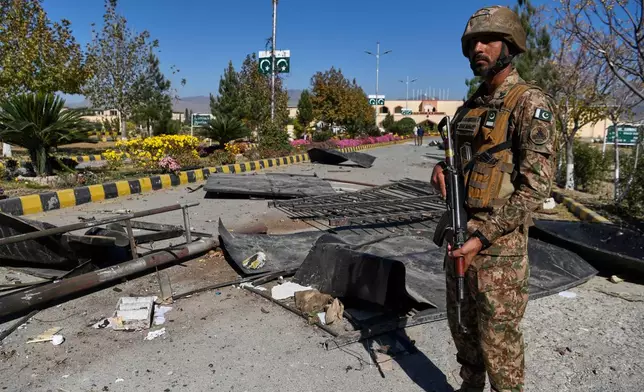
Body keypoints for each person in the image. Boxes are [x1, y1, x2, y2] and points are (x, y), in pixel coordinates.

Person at [430, 6, 557, 392]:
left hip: (498, 249)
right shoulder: (471, 106)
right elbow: (461, 159)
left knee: (499, 346)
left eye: (487, 41)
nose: (478, 49)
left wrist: (482, 238)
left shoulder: (528, 104)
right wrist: (439, 167)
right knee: (463, 332)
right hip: (458, 235)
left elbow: (536, 187)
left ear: (511, 45)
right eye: (472, 43)